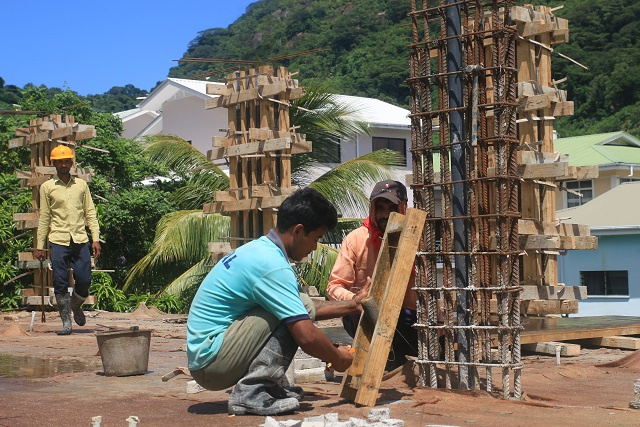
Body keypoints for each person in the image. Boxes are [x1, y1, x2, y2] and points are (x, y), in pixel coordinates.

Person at [187, 188, 368, 416]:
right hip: (211, 366)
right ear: (299, 230)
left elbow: (304, 306)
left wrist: (352, 305)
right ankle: (250, 394)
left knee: (296, 304)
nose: (314, 247)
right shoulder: (272, 266)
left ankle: (268, 388)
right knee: (293, 315)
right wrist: (338, 357)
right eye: (315, 239)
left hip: (210, 355)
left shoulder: (261, 250)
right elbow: (307, 336)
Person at [327, 179, 418, 371]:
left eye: (392, 207)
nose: (385, 215)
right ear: (372, 209)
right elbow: (334, 286)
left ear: (404, 207)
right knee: (359, 313)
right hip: (366, 316)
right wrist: (356, 300)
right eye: (380, 208)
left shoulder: (417, 238)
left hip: (408, 316)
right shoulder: (356, 239)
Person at [35, 145, 101, 336]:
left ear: (72, 163)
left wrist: (95, 238)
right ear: (54, 163)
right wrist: (40, 246)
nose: (64, 164)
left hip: (80, 239)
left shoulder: (81, 185)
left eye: (67, 161)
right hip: (58, 239)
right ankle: (66, 322)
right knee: (61, 281)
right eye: (60, 161)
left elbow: (90, 213)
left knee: (85, 279)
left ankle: (75, 305)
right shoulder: (47, 187)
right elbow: (45, 218)